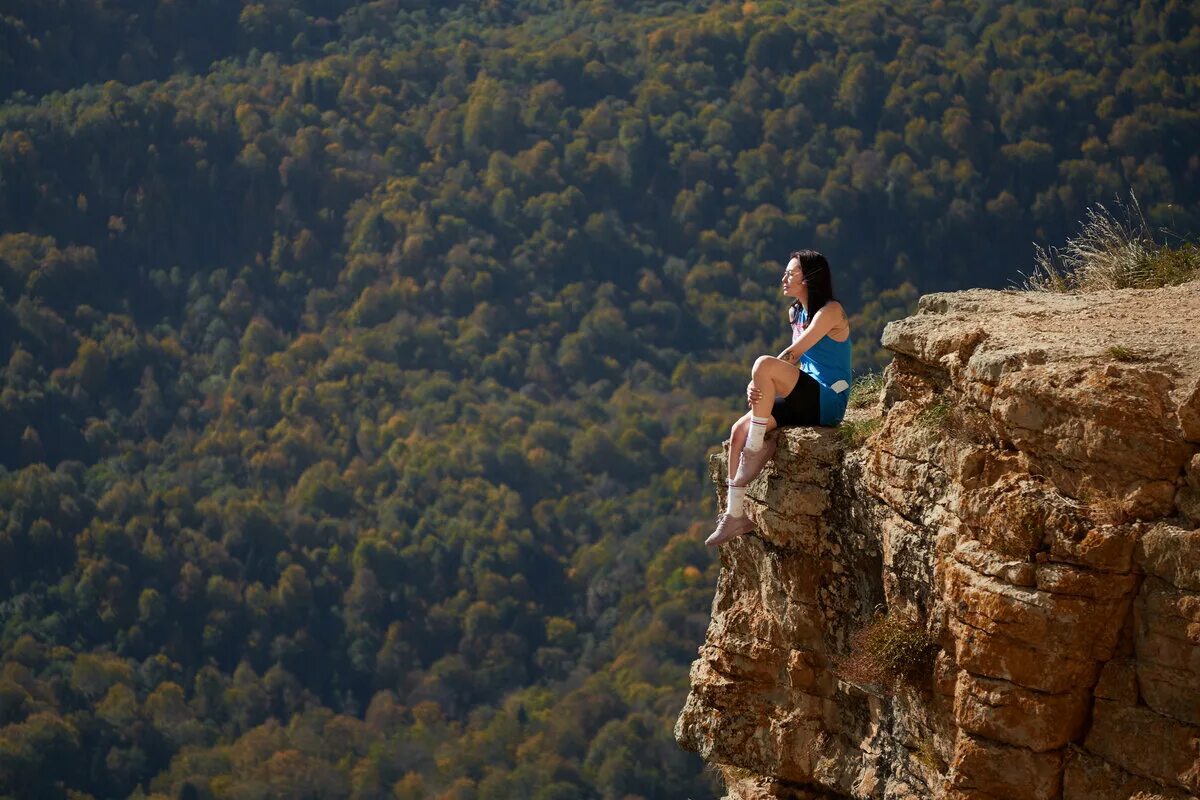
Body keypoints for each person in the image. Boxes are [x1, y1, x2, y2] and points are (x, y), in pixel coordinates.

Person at [706, 249, 853, 547]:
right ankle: (735, 515)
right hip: (806, 395)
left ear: (809, 278)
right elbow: (795, 366)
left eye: (790, 273)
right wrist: (761, 385)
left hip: (828, 400)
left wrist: (759, 376)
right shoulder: (795, 312)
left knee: (763, 364)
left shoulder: (830, 312)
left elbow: (793, 354)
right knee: (737, 432)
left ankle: (757, 448)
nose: (783, 278)